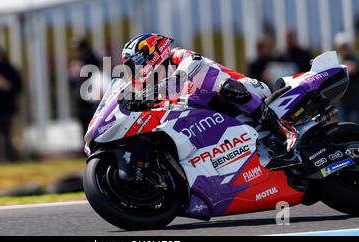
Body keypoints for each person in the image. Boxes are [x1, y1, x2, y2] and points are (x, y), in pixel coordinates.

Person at [121, 33, 298, 159]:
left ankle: (283, 130)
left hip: (247, 90)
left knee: (227, 89)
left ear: (151, 53)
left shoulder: (177, 56)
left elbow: (190, 66)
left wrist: (154, 91)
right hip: (219, 113)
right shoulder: (156, 84)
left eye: (135, 64)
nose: (136, 70)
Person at [334, 32, 359, 123]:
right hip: (343, 99)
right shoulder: (337, 61)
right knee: (344, 124)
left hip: (356, 97)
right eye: (342, 47)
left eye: (346, 46)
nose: (345, 49)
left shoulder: (356, 57)